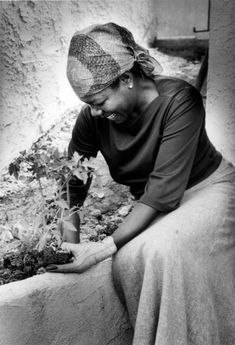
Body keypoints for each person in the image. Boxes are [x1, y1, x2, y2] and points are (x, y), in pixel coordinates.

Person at [46, 23, 235, 345]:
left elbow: (163, 188)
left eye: (100, 100)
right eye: (88, 103)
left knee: (158, 251)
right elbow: (70, 189)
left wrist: (101, 248)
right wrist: (71, 247)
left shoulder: (179, 100)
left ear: (127, 79)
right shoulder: (91, 118)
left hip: (207, 190)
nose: (94, 111)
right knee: (129, 260)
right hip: (155, 203)